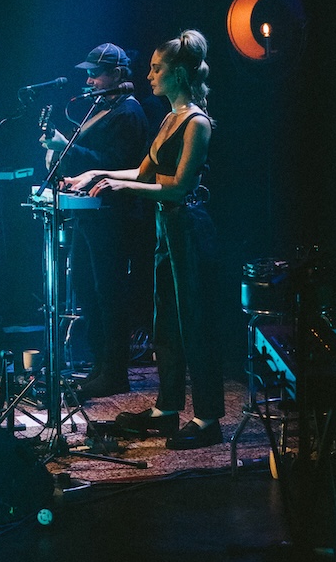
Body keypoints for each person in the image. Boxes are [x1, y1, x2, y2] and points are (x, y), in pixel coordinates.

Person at [63, 29, 224, 450]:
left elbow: (177, 187)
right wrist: (96, 175)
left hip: (189, 228)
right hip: (166, 230)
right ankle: (166, 409)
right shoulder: (170, 118)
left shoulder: (197, 123)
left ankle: (208, 419)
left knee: (195, 325)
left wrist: (123, 188)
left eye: (157, 69)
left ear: (180, 74)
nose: (149, 75)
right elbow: (142, 171)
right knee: (165, 324)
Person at [40, 43, 149, 399]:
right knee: (88, 290)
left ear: (117, 74)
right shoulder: (101, 108)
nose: (88, 79)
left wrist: (66, 147)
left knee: (109, 294)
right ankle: (101, 367)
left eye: (95, 73)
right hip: (92, 216)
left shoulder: (128, 112)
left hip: (115, 218)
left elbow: (117, 163)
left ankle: (115, 372)